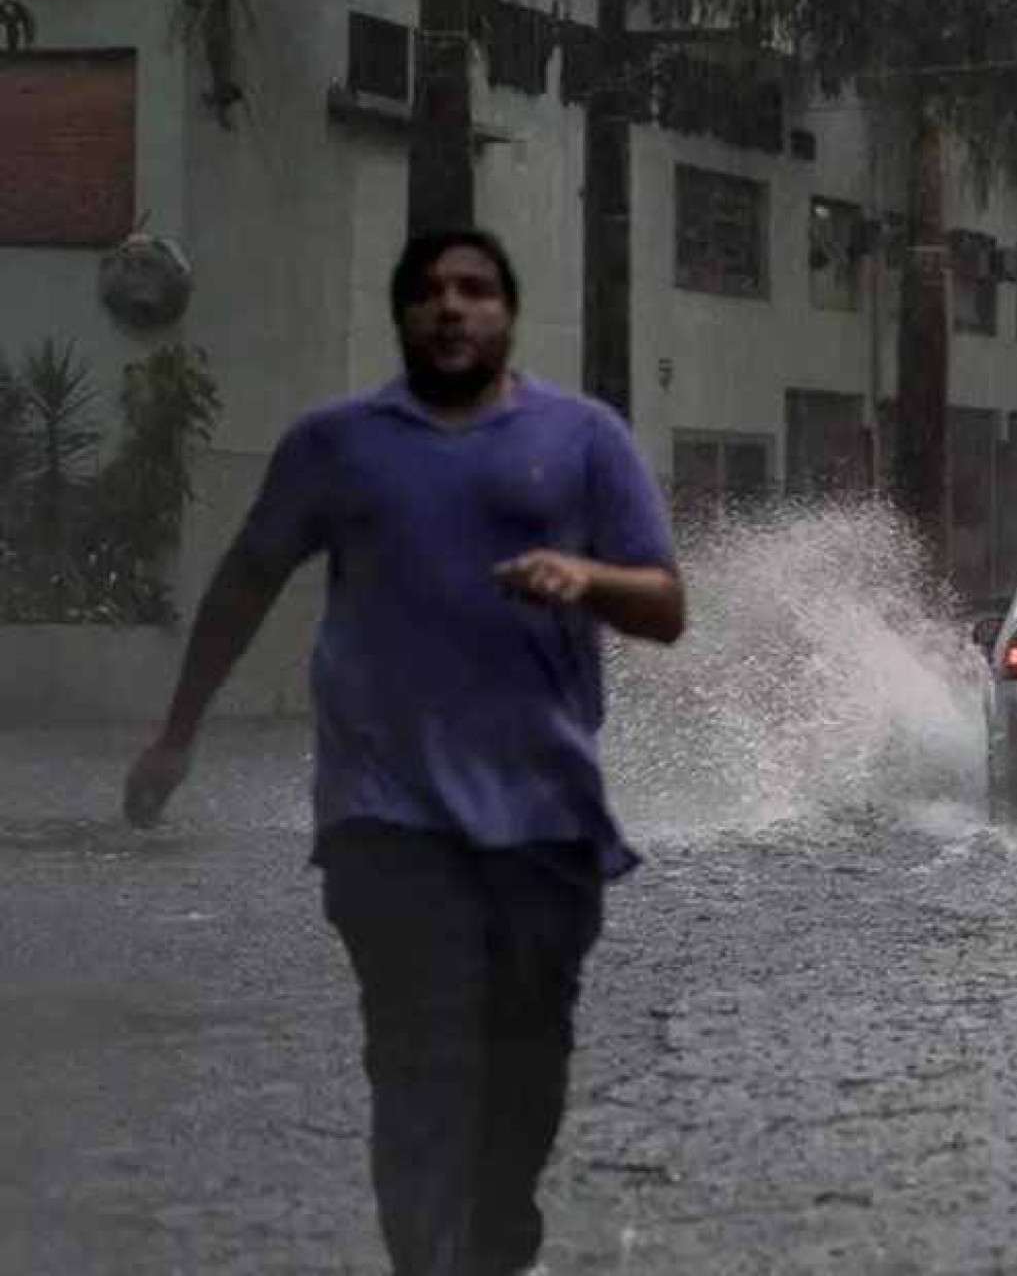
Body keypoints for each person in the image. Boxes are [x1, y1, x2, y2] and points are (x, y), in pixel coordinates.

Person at [119, 229, 686, 1276]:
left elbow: (665, 606)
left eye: (474, 290)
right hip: (384, 820)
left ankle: (497, 1237)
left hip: (545, 822)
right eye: (428, 293)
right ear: (402, 319)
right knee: (419, 1066)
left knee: (523, 1083)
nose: (451, 307)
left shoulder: (585, 438)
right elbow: (247, 579)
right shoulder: (336, 446)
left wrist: (585, 577)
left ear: (508, 314)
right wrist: (177, 733)